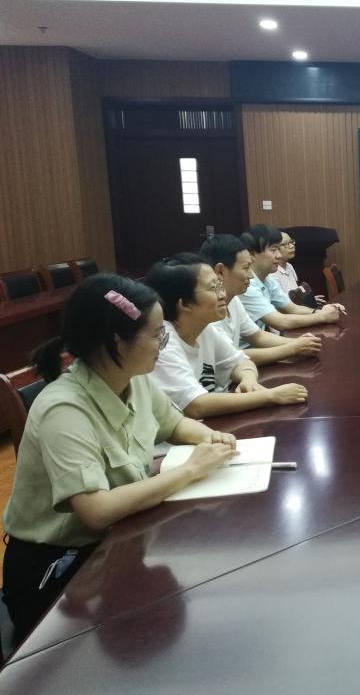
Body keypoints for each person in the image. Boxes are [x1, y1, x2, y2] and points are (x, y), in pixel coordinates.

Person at [1, 274, 239, 648]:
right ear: (116, 341)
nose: (163, 344)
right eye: (157, 335)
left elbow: (174, 423)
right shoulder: (64, 409)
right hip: (60, 571)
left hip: (116, 547)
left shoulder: (134, 378)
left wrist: (209, 438)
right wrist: (191, 469)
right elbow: (96, 511)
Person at [146, 254, 308, 418]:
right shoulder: (161, 344)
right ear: (185, 304)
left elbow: (241, 362)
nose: (223, 294)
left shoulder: (205, 328)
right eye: (213, 288)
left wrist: (248, 380)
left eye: (220, 285)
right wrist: (270, 396)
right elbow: (196, 405)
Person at [199, 234, 322, 365]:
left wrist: (299, 342)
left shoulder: (233, 300)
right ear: (220, 271)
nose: (251, 276)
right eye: (246, 268)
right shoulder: (205, 311)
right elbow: (233, 357)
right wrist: (293, 348)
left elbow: (257, 336)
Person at [238, 224, 345, 332]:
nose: (279, 255)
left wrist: (321, 312)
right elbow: (281, 322)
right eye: (273, 250)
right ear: (252, 254)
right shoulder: (247, 285)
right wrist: (322, 316)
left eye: (278, 249)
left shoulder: (267, 279)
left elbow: (292, 308)